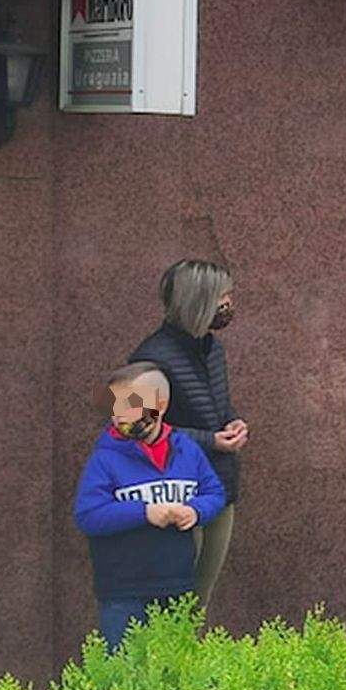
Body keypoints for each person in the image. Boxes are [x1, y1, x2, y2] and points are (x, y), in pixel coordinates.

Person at [74, 363, 227, 652]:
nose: (120, 416)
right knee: (123, 673)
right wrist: (145, 512)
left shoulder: (187, 451)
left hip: (177, 586)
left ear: (160, 406)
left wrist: (196, 511)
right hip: (123, 592)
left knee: (174, 676)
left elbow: (214, 493)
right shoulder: (105, 458)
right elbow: (87, 515)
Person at [129, 260, 245, 612]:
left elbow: (214, 410)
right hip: (174, 491)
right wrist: (210, 441)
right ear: (199, 301)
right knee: (171, 604)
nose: (229, 304)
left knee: (199, 599)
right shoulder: (151, 358)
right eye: (223, 296)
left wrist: (233, 426)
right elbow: (133, 428)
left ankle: (185, 667)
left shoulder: (212, 350)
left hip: (218, 488)